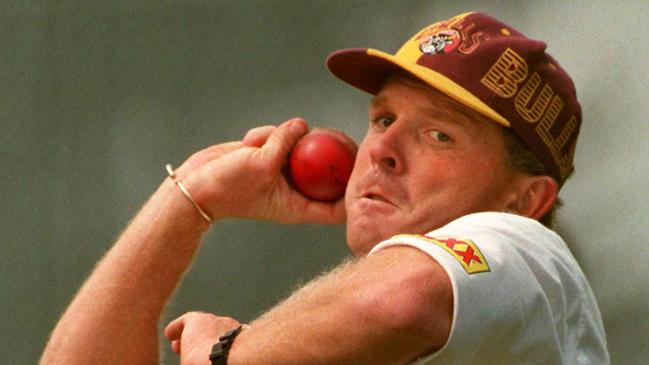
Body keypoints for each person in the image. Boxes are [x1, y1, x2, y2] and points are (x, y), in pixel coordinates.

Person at [40, 11, 609, 365]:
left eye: (439, 134)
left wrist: (223, 354)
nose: (381, 149)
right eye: (383, 120)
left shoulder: (528, 255)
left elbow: (400, 300)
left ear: (525, 198)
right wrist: (189, 198)